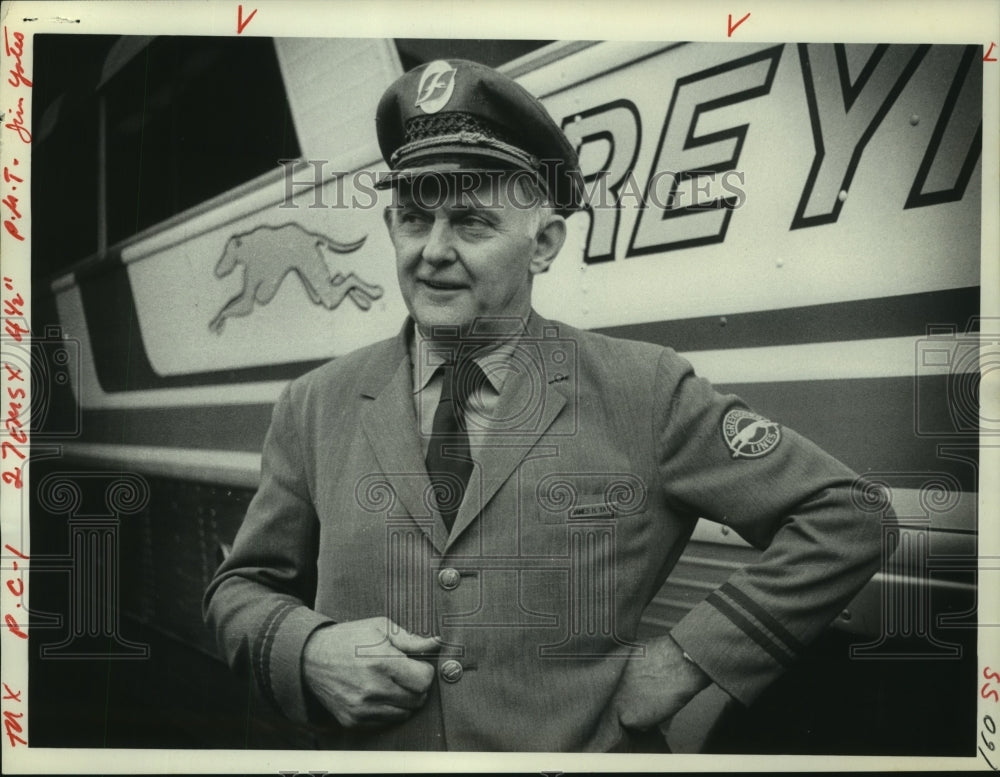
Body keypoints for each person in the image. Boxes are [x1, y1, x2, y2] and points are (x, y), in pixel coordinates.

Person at [204, 58, 887, 752]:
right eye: (415, 218)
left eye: (470, 222)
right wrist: (307, 649)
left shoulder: (643, 389)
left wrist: (686, 659)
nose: (432, 251)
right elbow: (240, 589)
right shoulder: (314, 405)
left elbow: (848, 516)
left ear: (545, 245)